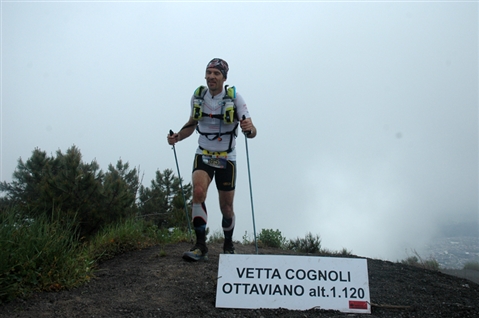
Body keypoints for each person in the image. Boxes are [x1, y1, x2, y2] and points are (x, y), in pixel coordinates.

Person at [167, 58, 257, 261]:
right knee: (198, 192)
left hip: (227, 157)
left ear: (224, 77)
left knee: (226, 208)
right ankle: (200, 246)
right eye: (208, 73)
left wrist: (249, 130)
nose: (211, 77)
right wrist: (177, 137)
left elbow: (251, 131)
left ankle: (228, 245)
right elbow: (192, 124)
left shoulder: (235, 98)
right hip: (204, 154)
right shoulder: (198, 96)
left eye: (216, 73)